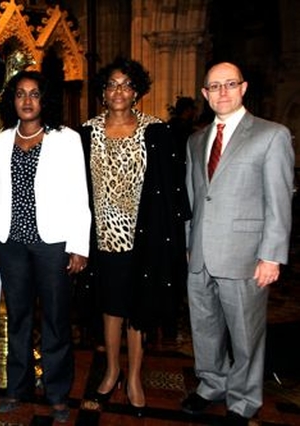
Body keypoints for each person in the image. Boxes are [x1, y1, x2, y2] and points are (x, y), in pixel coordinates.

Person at [182, 62, 294, 426]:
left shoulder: (271, 135)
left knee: (246, 334)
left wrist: (271, 257)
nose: (223, 92)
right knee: (205, 327)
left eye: (230, 84)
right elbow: (193, 198)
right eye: (214, 87)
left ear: (243, 88)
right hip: (200, 254)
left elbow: (279, 201)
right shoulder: (197, 140)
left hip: (245, 257)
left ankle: (244, 399)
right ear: (205, 94)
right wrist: (188, 244)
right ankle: (212, 383)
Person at [79, 57, 190, 416]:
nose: (119, 91)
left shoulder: (156, 131)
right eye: (112, 84)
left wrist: (176, 240)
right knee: (110, 308)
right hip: (101, 239)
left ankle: (135, 378)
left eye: (126, 84)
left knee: (137, 310)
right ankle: (112, 371)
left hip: (144, 237)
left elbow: (172, 189)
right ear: (102, 92)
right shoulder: (86, 132)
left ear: (137, 91)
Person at [0, 70, 90, 423]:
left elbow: (78, 194)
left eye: (34, 94)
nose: (27, 101)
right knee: (19, 319)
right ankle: (18, 388)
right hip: (11, 245)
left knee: (56, 320)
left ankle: (58, 393)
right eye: (20, 94)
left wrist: (79, 245)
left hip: (52, 244)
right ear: (12, 101)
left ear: (45, 100)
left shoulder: (66, 139)